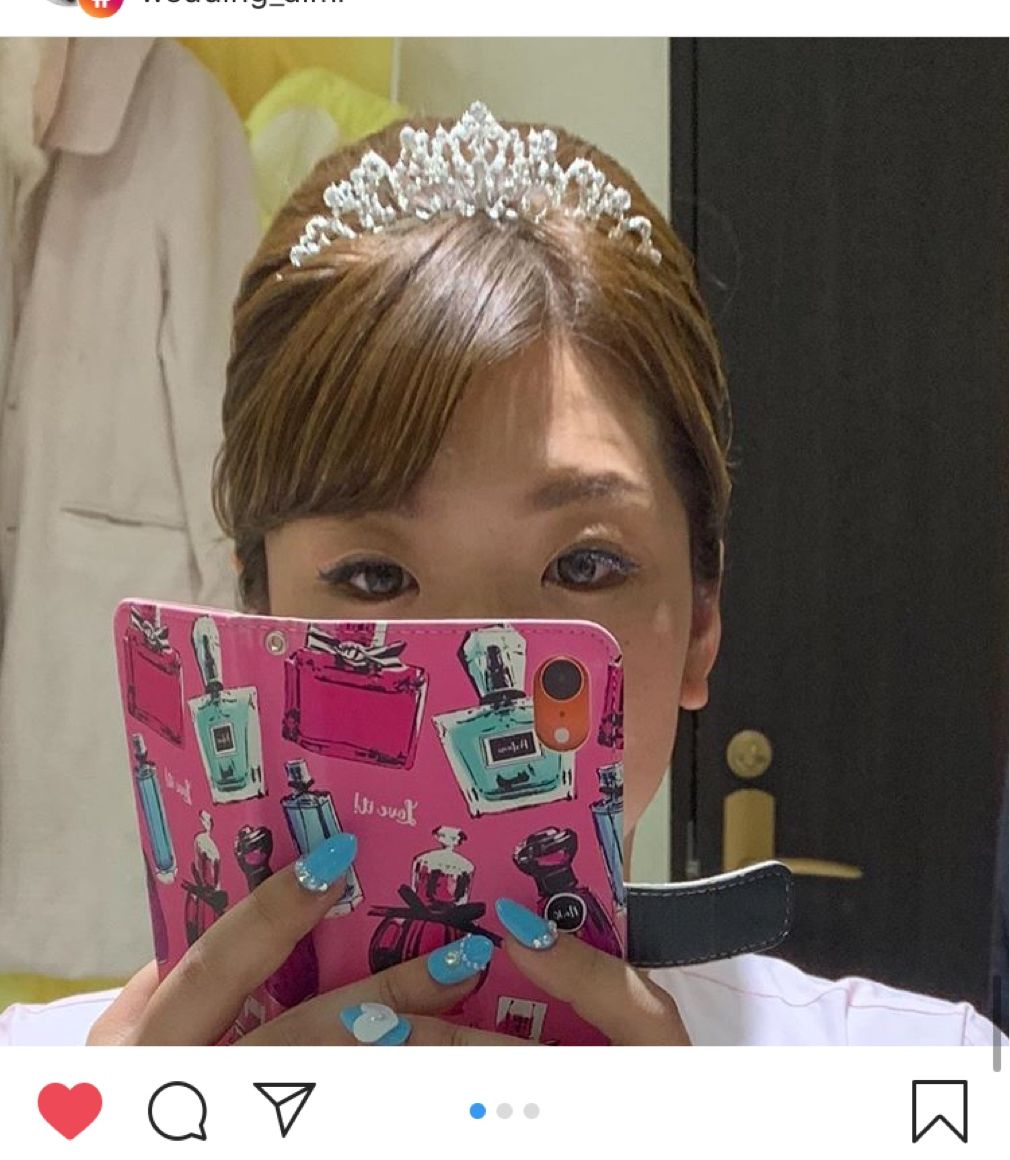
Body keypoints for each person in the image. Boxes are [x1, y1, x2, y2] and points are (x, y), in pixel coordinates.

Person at [0, 103, 1004, 1047]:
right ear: (253, 614)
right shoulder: (44, 1082)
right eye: (372, 577)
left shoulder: (924, 1071)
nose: (481, 678)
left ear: (702, 614)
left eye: (583, 564)